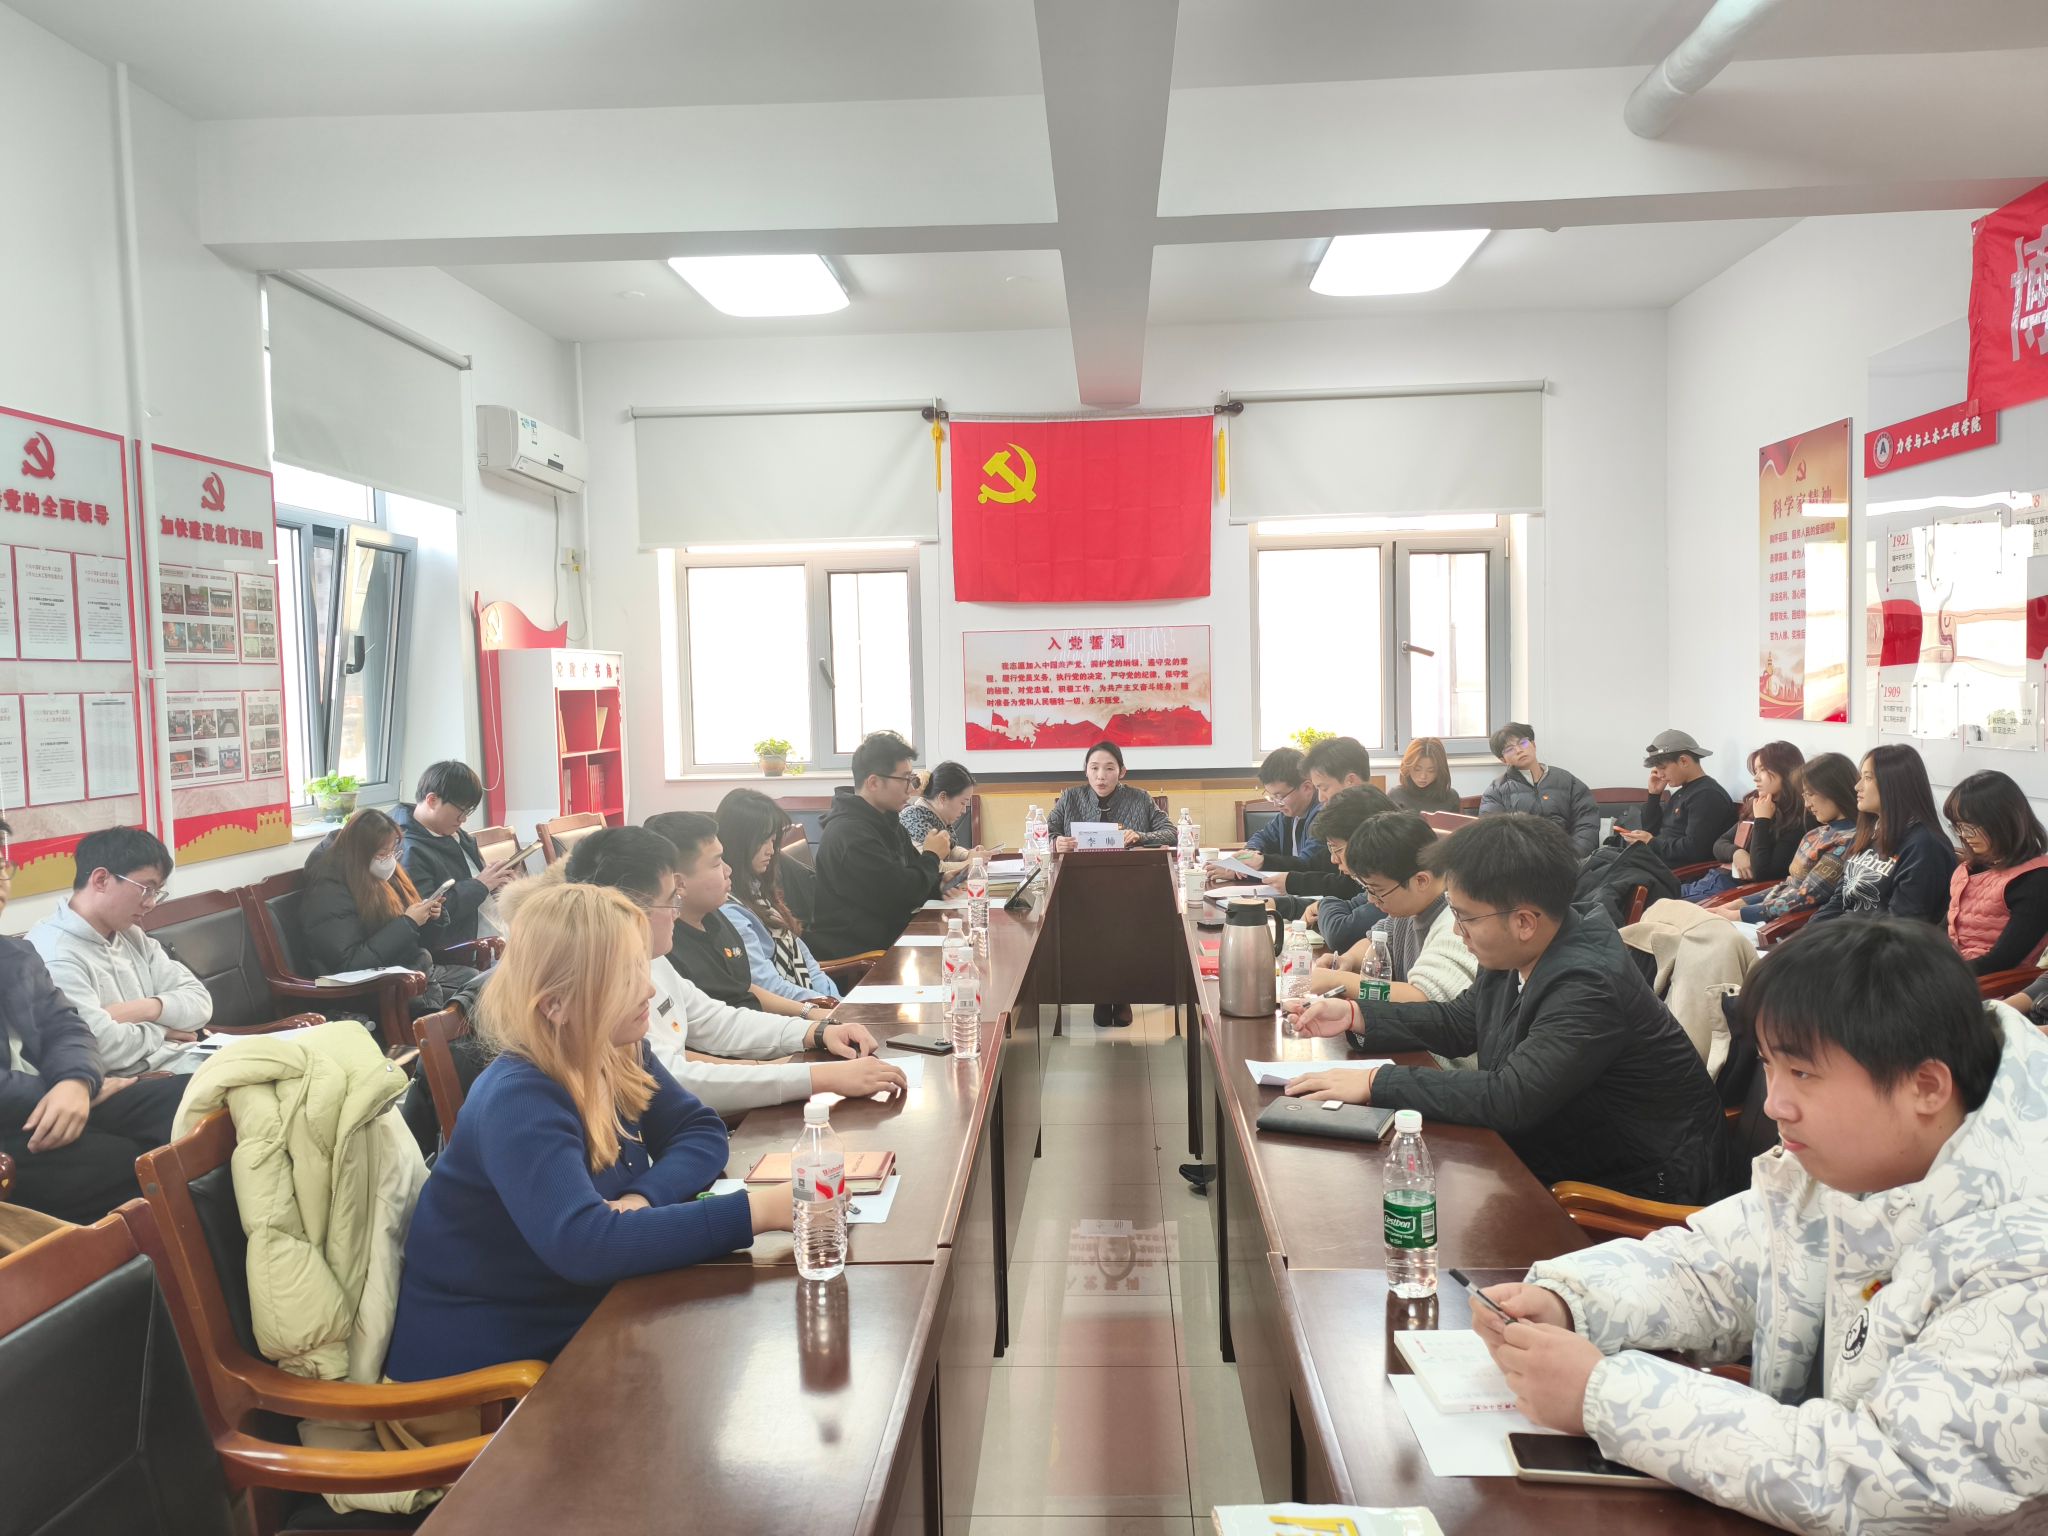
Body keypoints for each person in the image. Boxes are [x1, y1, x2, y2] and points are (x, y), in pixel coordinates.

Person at [1473, 919, 2048, 1533]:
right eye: (1770, 1066)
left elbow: (1904, 1484)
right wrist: (1569, 1300)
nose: (1774, 1103)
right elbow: (1717, 1269)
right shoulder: (1850, 1162)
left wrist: (1604, 1396)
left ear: (1926, 1086)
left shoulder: (2026, 1257)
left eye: (1803, 1074)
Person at [383, 880, 791, 1381]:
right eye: (624, 977)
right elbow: (586, 1246)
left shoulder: (616, 1050)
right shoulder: (519, 1098)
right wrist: (759, 1211)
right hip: (485, 1376)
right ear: (555, 1004)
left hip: (581, 1321)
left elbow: (699, 1129)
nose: (647, 989)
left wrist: (643, 1197)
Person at [1283, 813, 1726, 1204]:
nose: (1456, 931)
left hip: (1638, 1181)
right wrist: (1357, 1015)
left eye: (1465, 917)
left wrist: (1376, 1082)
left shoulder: (1588, 983)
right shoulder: (1518, 950)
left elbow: (1510, 1097)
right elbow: (1460, 1022)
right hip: (1559, 1147)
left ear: (1524, 921)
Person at [487, 829, 902, 1121]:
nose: (677, 911)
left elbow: (712, 1019)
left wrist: (814, 1033)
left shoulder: (649, 958)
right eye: (670, 900)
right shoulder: (588, 985)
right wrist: (817, 1076)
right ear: (626, 906)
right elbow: (676, 1080)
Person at [0, 819, 186, 1224]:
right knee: (134, 1165)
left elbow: (68, 1027)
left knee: (196, 1099)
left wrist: (76, 1082)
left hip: (64, 1094)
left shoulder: (13, 955)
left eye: (1, 863)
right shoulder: (53, 945)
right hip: (15, 1120)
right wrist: (71, 1090)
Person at [27, 825, 213, 1076]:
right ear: (101, 880)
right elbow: (98, 1046)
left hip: (183, 1059)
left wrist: (142, 1009)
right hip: (136, 1082)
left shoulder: (131, 934)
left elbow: (201, 1002)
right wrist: (163, 1030)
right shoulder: (54, 952)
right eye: (146, 889)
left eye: (157, 892)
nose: (151, 903)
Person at [647, 810, 829, 1023]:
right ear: (679, 883)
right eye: (717, 864)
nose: (728, 870)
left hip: (761, 1028)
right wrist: (807, 1027)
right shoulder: (666, 947)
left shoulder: (714, 917)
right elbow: (717, 1026)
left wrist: (810, 1013)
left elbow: (744, 988)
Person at [300, 807, 481, 1017]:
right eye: (382, 854)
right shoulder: (329, 891)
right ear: (360, 854)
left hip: (409, 970)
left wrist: (432, 918)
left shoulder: (378, 874)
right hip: (371, 989)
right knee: (476, 1001)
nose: (389, 860)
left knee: (483, 982)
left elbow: (418, 943)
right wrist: (408, 923)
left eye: (392, 851)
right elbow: (350, 964)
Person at [1308, 812, 1477, 1014]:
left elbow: (1423, 1000)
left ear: (1421, 880)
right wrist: (1348, 960)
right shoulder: (1412, 908)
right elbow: (1377, 940)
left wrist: (1338, 981)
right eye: (1366, 889)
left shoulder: (1455, 923)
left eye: (1377, 890)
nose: (1371, 899)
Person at [807, 731, 946, 961]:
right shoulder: (850, 835)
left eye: (912, 779)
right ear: (873, 782)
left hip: (891, 939)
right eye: (905, 779)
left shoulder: (887, 821)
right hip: (861, 956)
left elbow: (911, 877)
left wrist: (942, 884)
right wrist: (932, 855)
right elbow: (901, 894)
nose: (911, 789)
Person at [715, 789, 840, 1004]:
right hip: (794, 1012)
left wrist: (835, 999)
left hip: (816, 1004)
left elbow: (807, 962)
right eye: (763, 841)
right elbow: (769, 987)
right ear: (738, 841)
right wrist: (825, 1004)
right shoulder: (730, 911)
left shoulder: (757, 892)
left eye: (773, 840)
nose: (771, 851)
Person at [1809, 745, 1953, 926]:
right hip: (1843, 934)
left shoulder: (1925, 846)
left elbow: (1903, 925)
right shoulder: (1868, 831)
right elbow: (1839, 900)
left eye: (1868, 778)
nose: (1857, 786)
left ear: (1894, 785)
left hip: (1877, 941)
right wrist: (1806, 935)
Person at [1716, 751, 1859, 926]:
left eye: (1811, 794)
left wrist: (1738, 915)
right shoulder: (1816, 833)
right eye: (1804, 796)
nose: (1807, 804)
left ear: (1834, 790)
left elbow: (1805, 897)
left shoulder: (1847, 840)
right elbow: (1789, 884)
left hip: (1785, 926)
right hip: (1767, 916)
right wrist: (1736, 905)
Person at [392, 760, 522, 947]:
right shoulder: (408, 849)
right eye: (461, 811)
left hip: (496, 928)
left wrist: (496, 881)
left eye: (468, 811)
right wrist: (480, 885)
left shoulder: (452, 832)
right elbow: (430, 916)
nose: (464, 819)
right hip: (468, 946)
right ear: (432, 800)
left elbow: (476, 881)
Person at [1943, 769, 2048, 974]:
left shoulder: (2036, 879)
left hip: (1990, 981)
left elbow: (2002, 960)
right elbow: (1946, 927)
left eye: (1970, 826)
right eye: (1958, 826)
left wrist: (1938, 974)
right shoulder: (1971, 868)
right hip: (1954, 969)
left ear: (2003, 821)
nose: (1964, 835)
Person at [1272, 784, 1395, 952]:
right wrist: (1282, 905)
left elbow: (1340, 933)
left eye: (1337, 849)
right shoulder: (1375, 882)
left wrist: (1322, 905)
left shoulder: (1391, 884)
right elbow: (1350, 906)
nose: (1333, 859)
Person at [1681, 740, 1806, 901]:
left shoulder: (1797, 820)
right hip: (1712, 879)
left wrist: (1762, 820)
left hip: (1732, 891)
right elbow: (1719, 843)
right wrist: (1736, 852)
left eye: (1763, 769)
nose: (1756, 778)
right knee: (1653, 891)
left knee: (1660, 906)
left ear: (1786, 771)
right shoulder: (1760, 804)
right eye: (1755, 771)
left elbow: (1762, 873)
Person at [1614, 729, 1738, 869]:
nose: (1660, 775)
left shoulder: (1707, 795)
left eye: (1663, 768)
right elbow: (1651, 830)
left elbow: (1695, 850)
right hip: (1656, 863)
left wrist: (1652, 842)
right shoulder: (1683, 792)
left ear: (1684, 761)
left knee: (1605, 869)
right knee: (1602, 859)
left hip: (1676, 872)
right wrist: (1654, 795)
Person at [1271, 736, 1376, 897]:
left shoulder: (1374, 825)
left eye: (1324, 788)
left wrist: (1293, 884)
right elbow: (1314, 863)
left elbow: (1351, 889)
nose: (1320, 798)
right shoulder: (1341, 818)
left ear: (1350, 781)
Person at [1477, 723, 1600, 857]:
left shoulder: (1567, 781)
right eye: (1510, 749)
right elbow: (1493, 833)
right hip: (1523, 861)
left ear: (1533, 745)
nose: (1519, 750)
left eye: (1522, 743)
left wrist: (1573, 856)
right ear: (1503, 760)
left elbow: (1587, 821)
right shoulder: (1496, 791)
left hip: (1570, 857)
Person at [1047, 739, 1176, 855]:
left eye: (1109, 768)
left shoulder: (1141, 798)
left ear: (1122, 772)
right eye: (1094, 768)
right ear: (1086, 770)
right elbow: (1043, 834)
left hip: (1131, 870)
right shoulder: (1070, 797)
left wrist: (1140, 837)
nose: (1101, 776)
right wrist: (1055, 842)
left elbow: (1172, 833)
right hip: (1077, 871)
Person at [1233, 747, 1326, 873]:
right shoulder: (1287, 815)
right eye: (1272, 797)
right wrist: (1250, 853)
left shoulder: (1324, 817)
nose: (1276, 804)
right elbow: (1263, 836)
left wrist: (1262, 863)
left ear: (1307, 788)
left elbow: (1308, 864)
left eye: (1280, 796)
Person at [1387, 737, 1462, 813]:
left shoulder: (1451, 797)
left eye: (1431, 771)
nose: (1423, 776)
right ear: (1407, 767)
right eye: (1417, 769)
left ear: (1440, 771)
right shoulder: (1396, 795)